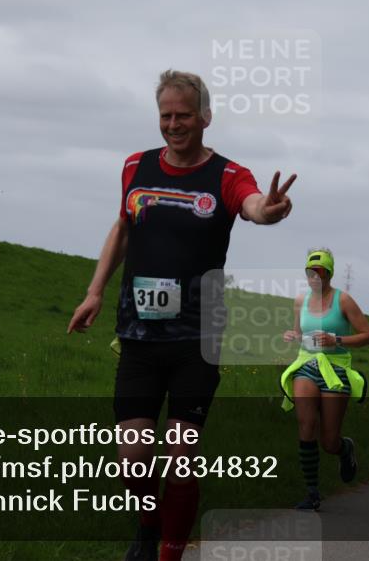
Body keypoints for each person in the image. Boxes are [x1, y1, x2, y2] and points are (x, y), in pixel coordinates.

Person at [67, 70, 296, 561]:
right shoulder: (135, 166)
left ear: (205, 118)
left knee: (181, 455)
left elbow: (252, 204)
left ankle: (169, 550)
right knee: (131, 459)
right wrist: (95, 292)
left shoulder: (228, 176)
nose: (174, 125)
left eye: (184, 115)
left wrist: (268, 210)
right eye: (166, 115)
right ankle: (149, 528)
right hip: (139, 335)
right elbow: (123, 226)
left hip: (199, 338)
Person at [280, 249, 369, 511]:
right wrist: (292, 336)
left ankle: (345, 449)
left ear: (329, 274)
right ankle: (312, 493)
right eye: (310, 273)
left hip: (335, 369)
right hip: (306, 366)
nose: (313, 278)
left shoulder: (344, 301)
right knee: (306, 425)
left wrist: (337, 340)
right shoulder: (300, 301)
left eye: (319, 273)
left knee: (329, 441)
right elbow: (301, 334)